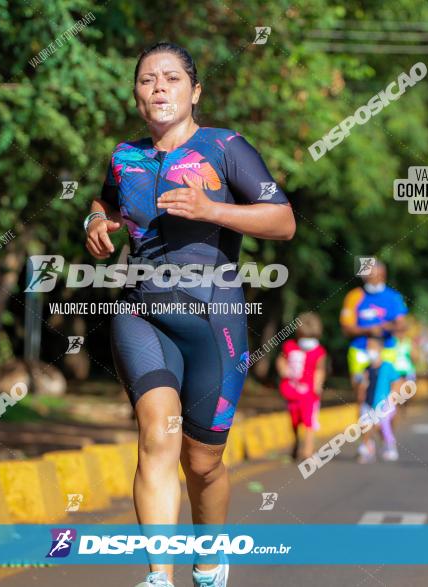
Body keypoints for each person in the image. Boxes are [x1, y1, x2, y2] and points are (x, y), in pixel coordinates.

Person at [86, 42, 295, 587]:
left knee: (201, 463)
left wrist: (212, 210)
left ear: (194, 91)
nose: (158, 87)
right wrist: (95, 220)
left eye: (171, 78)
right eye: (147, 79)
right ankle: (159, 576)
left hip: (213, 322)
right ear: (136, 95)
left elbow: (283, 221)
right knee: (156, 435)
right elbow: (109, 201)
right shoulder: (124, 155)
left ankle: (210, 563)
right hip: (142, 312)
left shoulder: (226, 148)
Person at [339, 260, 408, 463]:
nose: (369, 278)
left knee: (388, 402)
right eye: (366, 275)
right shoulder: (354, 297)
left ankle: (388, 440)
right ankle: (366, 445)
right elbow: (346, 327)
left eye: (374, 274)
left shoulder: (393, 297)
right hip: (361, 352)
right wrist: (368, 330)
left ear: (383, 274)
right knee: (363, 399)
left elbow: (402, 326)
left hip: (387, 352)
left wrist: (386, 327)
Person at [276, 312, 327, 460]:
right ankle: (296, 442)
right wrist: (283, 369)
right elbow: (281, 360)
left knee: (308, 421)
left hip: (309, 393)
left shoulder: (319, 352)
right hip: (292, 391)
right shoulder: (289, 347)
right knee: (294, 421)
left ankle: (308, 450)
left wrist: (318, 385)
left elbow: (320, 369)